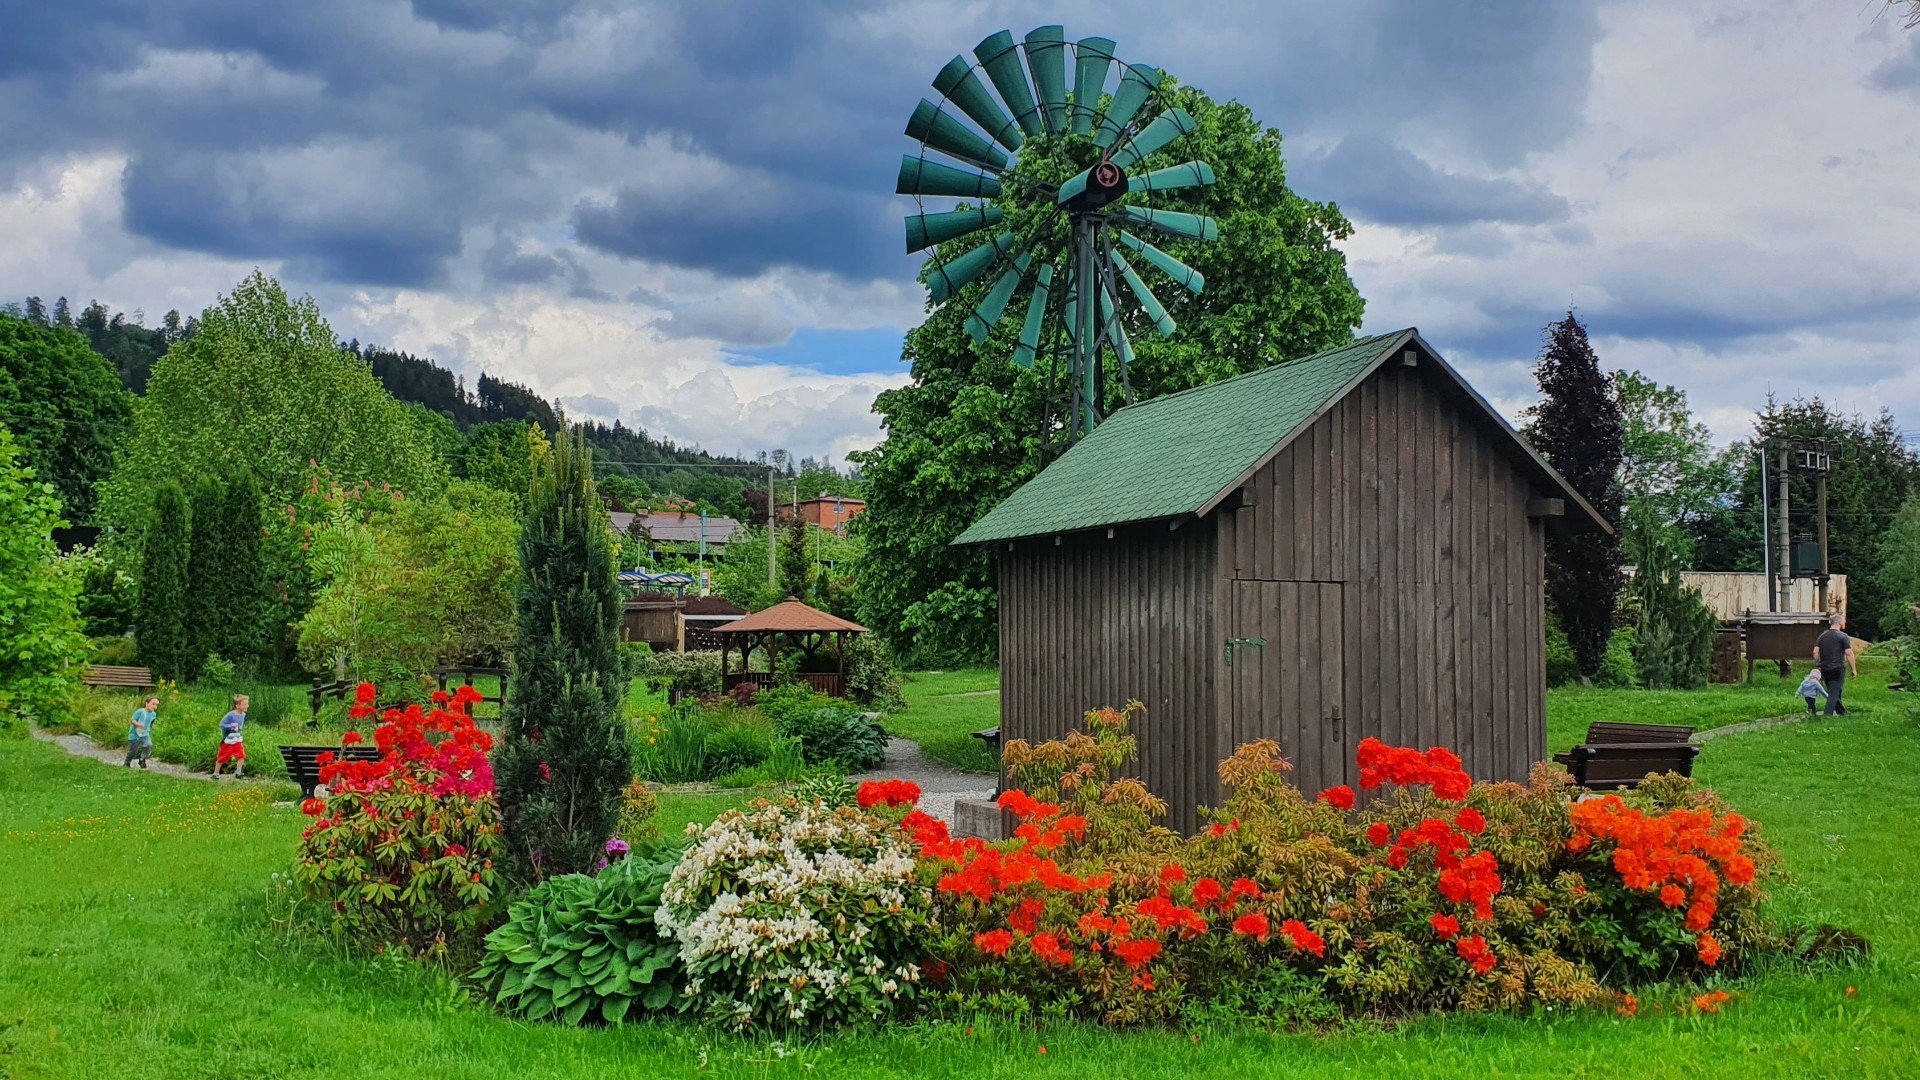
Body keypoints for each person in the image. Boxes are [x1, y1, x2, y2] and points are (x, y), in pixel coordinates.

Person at [1811, 613, 1857, 716]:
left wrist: (1819, 664)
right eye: (1844, 621)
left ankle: (1842, 713)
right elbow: (1849, 653)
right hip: (1837, 668)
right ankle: (1827, 715)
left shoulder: (1822, 636)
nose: (1845, 623)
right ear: (1839, 622)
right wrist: (1853, 669)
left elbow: (1815, 652)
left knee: (1835, 691)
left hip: (1825, 669)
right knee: (1833, 693)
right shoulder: (1843, 636)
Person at [213, 694, 249, 779]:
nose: (247, 706)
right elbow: (221, 724)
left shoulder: (243, 714)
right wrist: (232, 726)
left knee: (241, 756)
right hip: (228, 740)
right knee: (222, 757)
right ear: (237, 706)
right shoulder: (230, 715)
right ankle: (216, 773)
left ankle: (238, 772)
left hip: (237, 739)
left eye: (247, 703)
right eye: (245, 704)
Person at [124, 696, 158, 768]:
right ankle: (127, 763)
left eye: (157, 705)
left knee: (148, 745)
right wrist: (139, 725)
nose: (155, 707)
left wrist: (149, 729)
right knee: (132, 752)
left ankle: (142, 759)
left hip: (145, 734)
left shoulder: (153, 714)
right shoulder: (140, 711)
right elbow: (132, 720)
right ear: (147, 704)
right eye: (153, 704)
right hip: (135, 734)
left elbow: (151, 722)